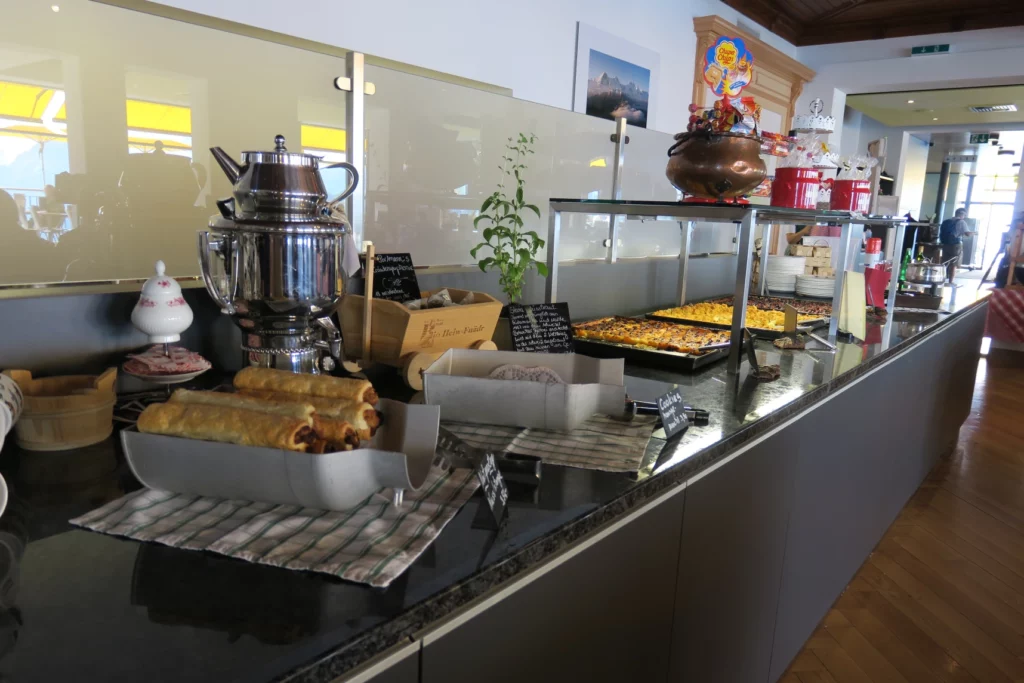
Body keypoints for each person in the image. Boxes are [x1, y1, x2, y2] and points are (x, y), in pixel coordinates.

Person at [939, 208, 975, 284]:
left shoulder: (946, 221)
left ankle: (941, 279)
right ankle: (951, 281)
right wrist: (973, 233)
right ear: (962, 214)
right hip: (955, 245)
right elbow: (967, 234)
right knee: (954, 264)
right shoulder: (961, 222)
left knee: (945, 262)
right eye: (964, 215)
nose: (964, 217)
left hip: (945, 244)